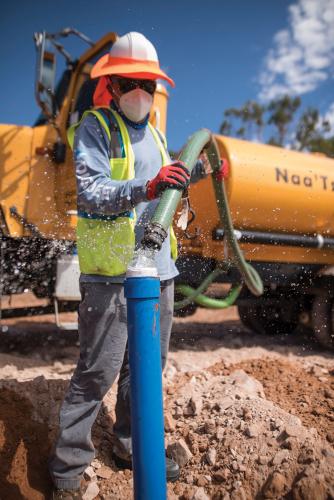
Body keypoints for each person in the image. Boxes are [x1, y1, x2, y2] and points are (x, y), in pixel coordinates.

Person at [49, 31, 208, 499]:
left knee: (145, 370)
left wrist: (195, 174)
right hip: (112, 275)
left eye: (149, 84)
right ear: (113, 86)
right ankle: (66, 470)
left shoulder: (157, 134)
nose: (141, 92)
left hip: (159, 272)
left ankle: (130, 446)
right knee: (98, 371)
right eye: (131, 83)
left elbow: (163, 187)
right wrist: (147, 188)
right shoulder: (95, 127)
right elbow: (92, 193)